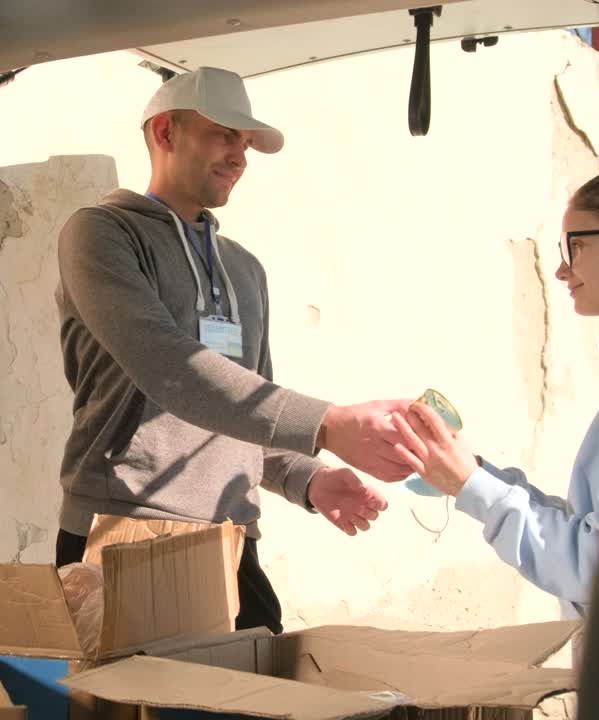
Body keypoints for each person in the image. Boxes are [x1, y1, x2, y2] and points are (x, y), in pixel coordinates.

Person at [53, 67, 420, 634]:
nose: (240, 157)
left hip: (232, 539)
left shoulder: (245, 269)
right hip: (124, 532)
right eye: (225, 135)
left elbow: (247, 410)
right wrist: (328, 423)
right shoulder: (101, 234)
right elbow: (171, 368)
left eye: (246, 144)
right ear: (165, 132)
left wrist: (307, 478)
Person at [392, 162, 599, 662]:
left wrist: (472, 486)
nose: (560, 269)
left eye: (577, 245)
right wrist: (475, 472)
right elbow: (597, 532)